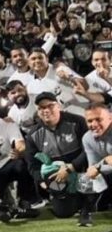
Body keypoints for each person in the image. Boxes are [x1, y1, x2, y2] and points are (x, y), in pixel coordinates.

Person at [24, 93, 90, 222]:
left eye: (50, 106)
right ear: (38, 111)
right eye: (41, 108)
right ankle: (60, 198)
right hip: (57, 177)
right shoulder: (33, 134)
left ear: (59, 106)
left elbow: (89, 150)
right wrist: (41, 181)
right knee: (63, 213)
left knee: (96, 206)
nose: (46, 110)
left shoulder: (77, 122)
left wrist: (71, 168)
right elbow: (32, 164)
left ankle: (86, 199)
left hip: (82, 170)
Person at [81, 104, 112, 232]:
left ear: (110, 118)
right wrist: (95, 170)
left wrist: (101, 165)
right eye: (90, 121)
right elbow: (93, 168)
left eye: (99, 119)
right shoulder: (87, 138)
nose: (94, 124)